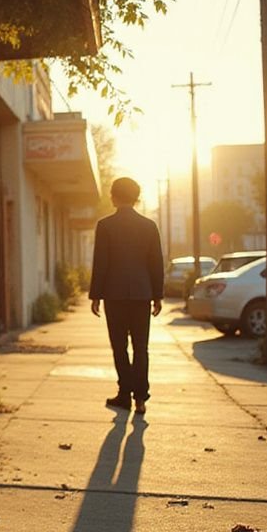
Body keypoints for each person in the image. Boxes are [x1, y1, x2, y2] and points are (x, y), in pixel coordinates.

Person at [89, 177, 164, 415]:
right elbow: (156, 264)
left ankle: (124, 394)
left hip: (114, 294)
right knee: (141, 347)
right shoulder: (149, 226)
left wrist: (95, 295)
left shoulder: (105, 225)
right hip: (142, 294)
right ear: (136, 197)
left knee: (119, 347)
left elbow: (101, 262)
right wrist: (158, 296)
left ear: (113, 196)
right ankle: (140, 398)